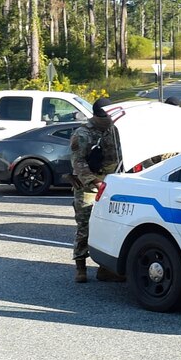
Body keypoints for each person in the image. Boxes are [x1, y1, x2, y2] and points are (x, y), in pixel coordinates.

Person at [68, 100, 125, 284]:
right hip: (88, 187)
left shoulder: (114, 130)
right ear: (96, 116)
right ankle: (80, 267)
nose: (107, 120)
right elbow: (78, 162)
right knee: (85, 227)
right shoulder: (82, 133)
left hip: (111, 185)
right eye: (104, 117)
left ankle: (105, 269)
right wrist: (95, 182)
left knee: (109, 227)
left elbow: (119, 155)